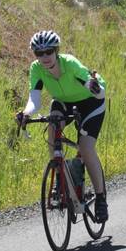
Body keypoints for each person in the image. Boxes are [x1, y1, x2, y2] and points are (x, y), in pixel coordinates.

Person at [16, 30, 109, 222]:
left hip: (90, 103)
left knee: (85, 147)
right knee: (52, 126)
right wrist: (26, 113)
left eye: (48, 52)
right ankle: (60, 176)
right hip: (63, 102)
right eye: (39, 53)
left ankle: (100, 198)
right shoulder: (36, 69)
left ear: (56, 51)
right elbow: (35, 99)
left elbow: (93, 88)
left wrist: (95, 88)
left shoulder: (70, 63)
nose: (44, 57)